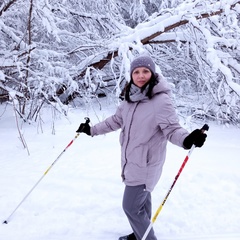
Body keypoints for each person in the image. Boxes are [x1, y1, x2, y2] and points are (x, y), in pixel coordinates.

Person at [77, 55, 207, 240]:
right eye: (136, 72)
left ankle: (147, 237)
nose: (140, 75)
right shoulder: (130, 99)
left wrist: (187, 139)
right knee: (141, 202)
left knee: (130, 206)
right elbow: (115, 121)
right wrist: (91, 130)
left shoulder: (160, 101)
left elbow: (172, 129)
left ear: (152, 73)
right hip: (132, 161)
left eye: (145, 71)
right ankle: (141, 234)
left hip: (146, 165)